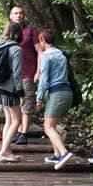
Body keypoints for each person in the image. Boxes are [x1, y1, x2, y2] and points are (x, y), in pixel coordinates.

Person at [34, 28, 77, 169]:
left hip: (57, 93)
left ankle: (64, 153)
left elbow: (44, 78)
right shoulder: (62, 54)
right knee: (54, 124)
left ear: (42, 40)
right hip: (67, 93)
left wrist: (39, 99)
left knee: (48, 127)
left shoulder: (46, 55)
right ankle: (56, 154)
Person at [0, 22, 25, 162]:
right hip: (11, 89)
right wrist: (21, 93)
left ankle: (5, 149)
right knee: (18, 120)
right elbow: (17, 74)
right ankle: (4, 152)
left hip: (0, 87)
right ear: (17, 34)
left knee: (9, 120)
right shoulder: (16, 49)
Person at [8, 5, 40, 144]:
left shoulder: (31, 31)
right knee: (15, 103)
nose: (18, 16)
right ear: (10, 16)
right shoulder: (8, 32)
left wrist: (38, 71)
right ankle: (19, 131)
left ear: (24, 15)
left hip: (28, 72)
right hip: (11, 75)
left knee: (27, 103)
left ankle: (24, 133)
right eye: (15, 13)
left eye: (21, 13)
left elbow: (40, 52)